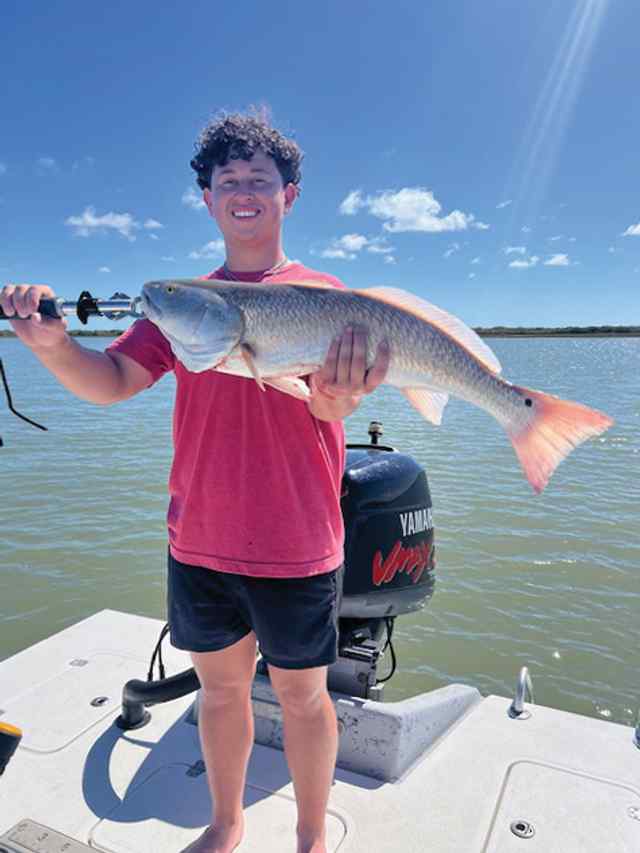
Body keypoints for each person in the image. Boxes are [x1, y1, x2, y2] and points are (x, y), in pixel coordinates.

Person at [0, 110, 389, 853]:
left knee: (304, 697)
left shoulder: (326, 296)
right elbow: (113, 380)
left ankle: (312, 836)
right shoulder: (183, 304)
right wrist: (51, 346)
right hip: (200, 539)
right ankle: (226, 822)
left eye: (259, 179)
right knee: (220, 691)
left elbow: (329, 406)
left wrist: (339, 399)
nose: (243, 191)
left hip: (299, 542)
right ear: (207, 199)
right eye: (227, 180)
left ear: (289, 195)